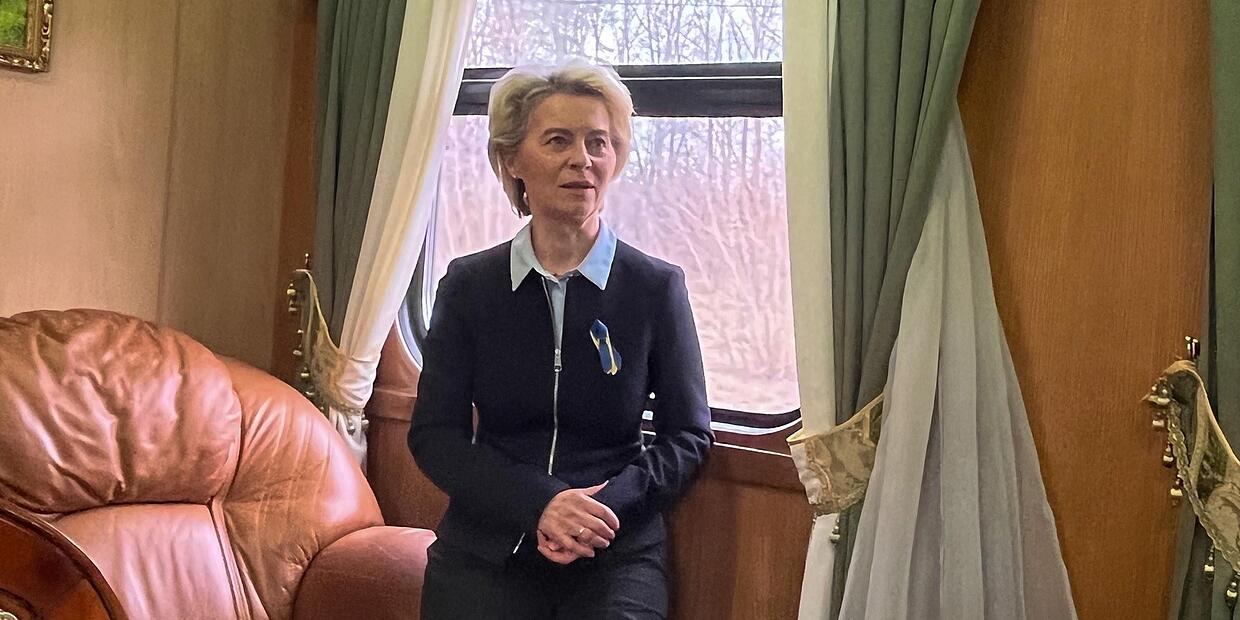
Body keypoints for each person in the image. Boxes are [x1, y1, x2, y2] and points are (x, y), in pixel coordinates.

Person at [408, 60, 714, 619]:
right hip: (487, 542)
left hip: (615, 546)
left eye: (599, 142)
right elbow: (435, 435)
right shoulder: (469, 286)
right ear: (512, 160)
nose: (583, 158)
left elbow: (688, 435)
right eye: (558, 141)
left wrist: (604, 508)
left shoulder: (655, 288)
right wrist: (540, 503)